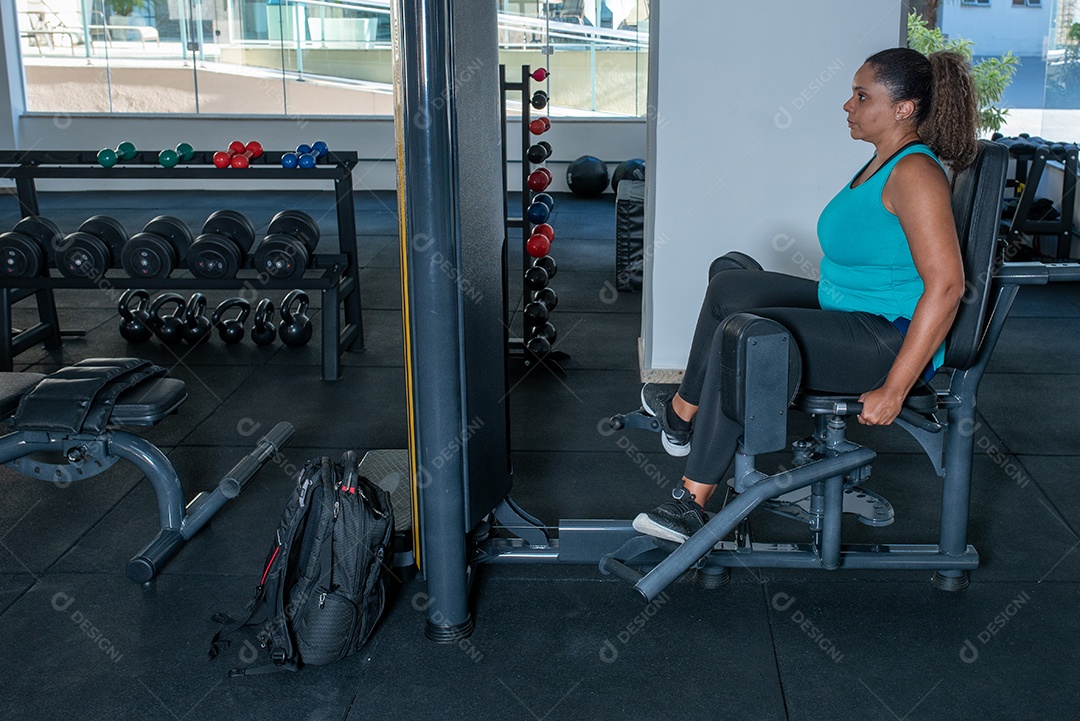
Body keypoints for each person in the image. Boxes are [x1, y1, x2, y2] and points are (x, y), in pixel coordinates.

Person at [633, 47, 979, 543]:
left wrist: (896, 387)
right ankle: (681, 416)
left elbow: (947, 286)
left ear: (903, 108)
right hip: (847, 308)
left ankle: (693, 504)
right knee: (730, 283)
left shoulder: (916, 174)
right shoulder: (883, 162)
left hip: (883, 338)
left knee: (744, 336)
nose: (847, 105)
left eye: (862, 96)